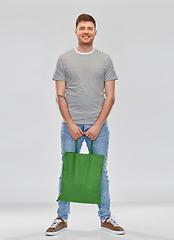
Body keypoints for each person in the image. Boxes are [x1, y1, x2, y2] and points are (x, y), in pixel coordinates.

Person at [45, 13, 125, 236]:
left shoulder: (105, 60)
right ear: (76, 31)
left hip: (98, 127)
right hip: (70, 126)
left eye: (90, 28)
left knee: (100, 172)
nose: (86, 32)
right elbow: (60, 95)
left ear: (95, 32)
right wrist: (69, 123)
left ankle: (106, 217)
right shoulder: (64, 59)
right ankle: (61, 217)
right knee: (68, 170)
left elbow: (110, 96)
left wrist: (98, 125)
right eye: (82, 28)